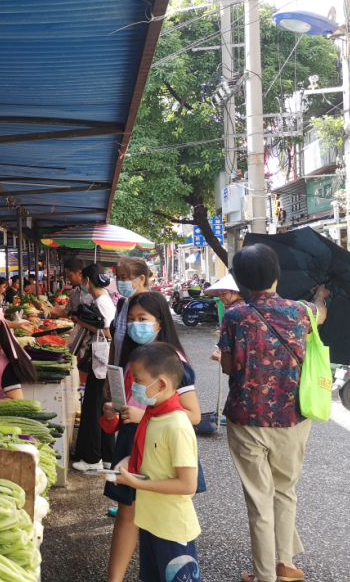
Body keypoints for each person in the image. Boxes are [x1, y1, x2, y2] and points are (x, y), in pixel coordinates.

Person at [219, 244, 329, 582]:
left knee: (259, 499)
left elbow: (227, 367)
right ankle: (285, 564)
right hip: (292, 418)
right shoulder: (303, 311)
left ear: (240, 280)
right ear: (277, 274)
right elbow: (321, 314)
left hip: (246, 419)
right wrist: (321, 294)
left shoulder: (235, 315)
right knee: (285, 491)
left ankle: (265, 576)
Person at [100, 291, 203, 582]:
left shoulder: (172, 363)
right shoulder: (136, 360)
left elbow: (193, 415)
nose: (136, 325)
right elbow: (131, 404)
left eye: (142, 319)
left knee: (154, 519)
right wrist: (116, 410)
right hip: (134, 443)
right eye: (131, 320)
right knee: (128, 514)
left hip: (159, 450)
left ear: (160, 322)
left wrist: (142, 414)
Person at [114, 342, 202, 582]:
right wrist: (125, 463)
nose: (133, 386)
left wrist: (137, 483)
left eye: (139, 381)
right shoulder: (154, 416)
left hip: (173, 530)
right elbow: (149, 457)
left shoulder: (177, 425)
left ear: (161, 384)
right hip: (150, 521)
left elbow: (187, 485)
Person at [70, 264, 118, 472]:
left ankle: (92, 459)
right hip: (103, 361)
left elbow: (107, 332)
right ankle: (107, 455)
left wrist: (82, 322)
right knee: (103, 406)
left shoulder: (102, 301)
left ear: (87, 280)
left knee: (93, 407)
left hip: (102, 361)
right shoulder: (103, 299)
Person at [109, 257, 151, 368]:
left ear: (141, 279)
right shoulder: (122, 304)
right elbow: (114, 344)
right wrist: (110, 378)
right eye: (117, 277)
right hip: (120, 376)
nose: (119, 282)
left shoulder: (152, 307)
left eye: (124, 277)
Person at [204, 274, 244, 362]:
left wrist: (219, 352)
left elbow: (227, 341)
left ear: (235, 292)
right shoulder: (245, 305)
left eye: (224, 294)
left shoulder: (232, 311)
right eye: (219, 294)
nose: (221, 297)